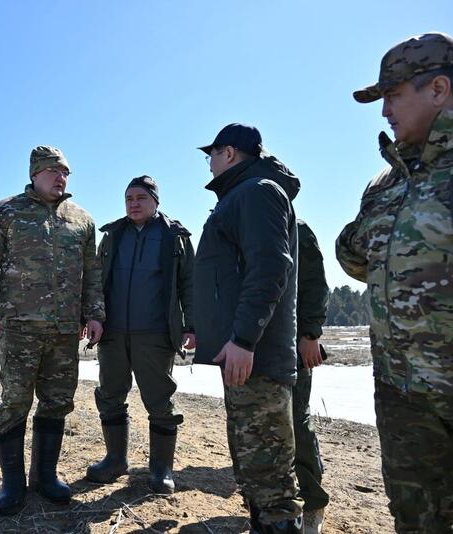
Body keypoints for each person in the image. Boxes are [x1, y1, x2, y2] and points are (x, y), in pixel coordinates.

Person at [336, 32, 453, 533]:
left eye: (393, 94)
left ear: (439, 89)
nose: (385, 110)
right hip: (402, 391)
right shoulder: (389, 180)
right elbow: (354, 257)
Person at [0, 145, 105, 515]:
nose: (60, 178)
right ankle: (12, 484)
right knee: (15, 402)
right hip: (20, 327)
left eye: (65, 173)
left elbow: (92, 274)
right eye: (53, 172)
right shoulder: (7, 212)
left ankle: (45, 476)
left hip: (65, 331)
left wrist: (94, 315)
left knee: (57, 402)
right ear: (35, 174)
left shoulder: (81, 220)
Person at [193, 123, 303, 533]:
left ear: (230, 153)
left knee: (270, 475)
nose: (208, 163)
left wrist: (244, 337)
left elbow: (270, 267)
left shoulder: (258, 192)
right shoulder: (241, 195)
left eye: (212, 154)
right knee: (253, 466)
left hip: (256, 355)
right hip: (241, 354)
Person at [85, 175, 195, 494]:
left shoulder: (175, 236)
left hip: (155, 334)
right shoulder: (113, 235)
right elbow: (95, 280)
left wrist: (192, 326)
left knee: (160, 401)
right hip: (113, 333)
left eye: (140, 198)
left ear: (155, 202)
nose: (133, 203)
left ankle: (161, 470)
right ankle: (115, 461)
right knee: (109, 396)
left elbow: (190, 283)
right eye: (129, 198)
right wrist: (92, 317)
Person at [294, 219, 330, 534]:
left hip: (290, 343)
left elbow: (314, 283)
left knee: (296, 421)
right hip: (246, 345)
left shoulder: (298, 229)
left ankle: (313, 504)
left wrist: (310, 333)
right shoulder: (234, 222)